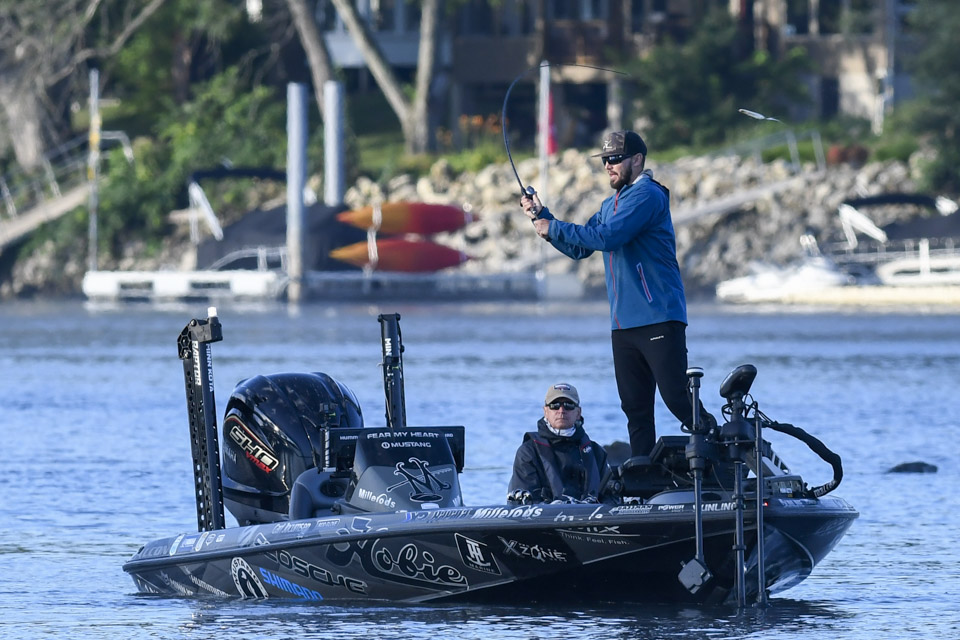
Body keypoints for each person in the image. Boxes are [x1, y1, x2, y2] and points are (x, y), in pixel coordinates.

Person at [520, 130, 715, 457]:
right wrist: (543, 218)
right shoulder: (610, 205)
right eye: (605, 160)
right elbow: (581, 247)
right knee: (635, 409)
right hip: (623, 325)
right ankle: (644, 475)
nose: (608, 165)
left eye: (615, 159)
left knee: (677, 399)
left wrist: (554, 228)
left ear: (637, 160)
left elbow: (608, 237)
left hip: (658, 317)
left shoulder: (648, 196)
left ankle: (723, 450)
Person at [507, 382, 611, 504]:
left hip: (592, 514)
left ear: (578, 412)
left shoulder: (596, 452)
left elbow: (610, 498)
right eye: (555, 405)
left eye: (568, 405)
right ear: (545, 411)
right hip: (545, 515)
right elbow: (522, 503)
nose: (561, 411)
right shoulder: (529, 451)